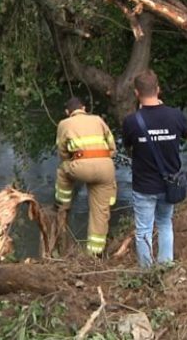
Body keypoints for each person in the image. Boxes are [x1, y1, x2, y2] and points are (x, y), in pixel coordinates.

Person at [122, 70, 187, 267]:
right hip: (169, 184)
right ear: (158, 89)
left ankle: (146, 271)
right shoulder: (176, 116)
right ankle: (166, 266)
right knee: (165, 223)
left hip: (144, 185)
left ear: (136, 93)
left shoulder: (131, 121)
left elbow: (128, 144)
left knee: (143, 229)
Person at [54, 97, 117, 256]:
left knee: (63, 170)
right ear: (84, 108)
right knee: (100, 213)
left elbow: (62, 152)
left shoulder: (64, 124)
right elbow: (112, 147)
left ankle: (63, 202)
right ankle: (95, 253)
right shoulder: (98, 119)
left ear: (68, 112)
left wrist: (71, 161)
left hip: (81, 166)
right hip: (105, 167)